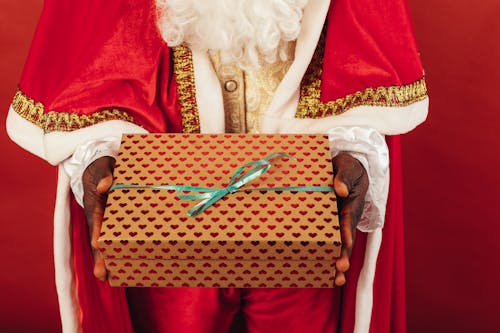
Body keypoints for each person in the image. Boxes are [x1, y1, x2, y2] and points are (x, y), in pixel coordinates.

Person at [6, 0, 428, 332]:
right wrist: (97, 152)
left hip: (303, 217)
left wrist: (354, 144)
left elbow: (366, 48)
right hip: (166, 223)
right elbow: (94, 56)